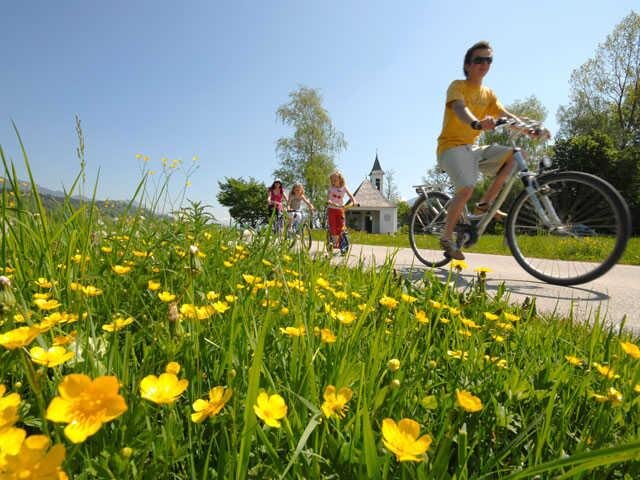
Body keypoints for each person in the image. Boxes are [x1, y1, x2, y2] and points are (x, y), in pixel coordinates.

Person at [436, 40, 548, 260]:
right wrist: (476, 123)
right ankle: (447, 237)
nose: (484, 64)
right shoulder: (457, 86)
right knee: (466, 188)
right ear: (467, 65)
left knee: (517, 155)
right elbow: (459, 108)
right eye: (479, 60)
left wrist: (530, 129)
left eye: (489, 60)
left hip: (473, 149)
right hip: (450, 147)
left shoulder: (488, 94)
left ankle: (484, 204)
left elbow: (506, 116)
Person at [327, 171, 355, 249]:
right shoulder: (331, 188)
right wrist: (332, 203)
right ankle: (334, 242)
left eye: (335, 179)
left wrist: (354, 201)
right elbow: (328, 199)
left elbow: (351, 196)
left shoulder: (344, 188)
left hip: (340, 210)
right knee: (333, 226)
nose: (334, 181)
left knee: (341, 226)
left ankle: (341, 241)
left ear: (340, 179)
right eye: (332, 179)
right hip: (332, 209)